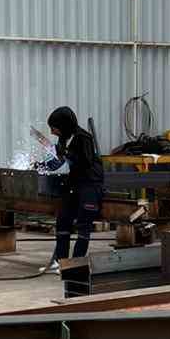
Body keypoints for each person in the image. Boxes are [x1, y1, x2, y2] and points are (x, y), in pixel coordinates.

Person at [39, 106, 104, 268]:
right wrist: (42, 165)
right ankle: (61, 262)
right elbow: (59, 159)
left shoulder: (84, 138)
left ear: (64, 125)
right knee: (63, 220)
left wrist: (67, 154)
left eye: (54, 128)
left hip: (90, 184)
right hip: (73, 183)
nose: (52, 132)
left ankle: (75, 265)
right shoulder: (63, 138)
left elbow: (86, 162)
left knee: (83, 225)